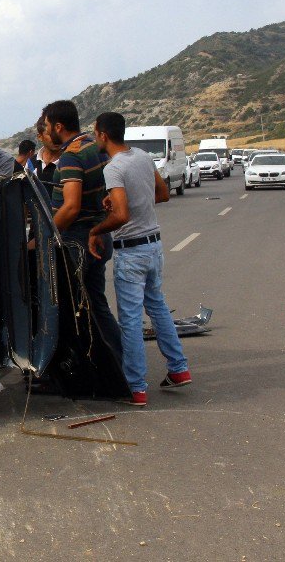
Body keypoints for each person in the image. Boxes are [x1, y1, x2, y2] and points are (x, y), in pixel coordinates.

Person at [89, 112, 191, 407]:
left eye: (96, 133)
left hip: (131, 252)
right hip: (153, 245)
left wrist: (96, 229)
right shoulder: (143, 157)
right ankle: (179, 368)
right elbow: (161, 194)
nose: (95, 137)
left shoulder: (114, 168)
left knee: (131, 320)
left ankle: (135, 387)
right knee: (157, 307)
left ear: (103, 135)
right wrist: (130, 200)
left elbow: (121, 216)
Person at [43, 100, 122, 353]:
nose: (46, 131)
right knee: (97, 304)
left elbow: (71, 207)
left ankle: (94, 369)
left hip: (78, 241)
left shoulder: (71, 155)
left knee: (73, 309)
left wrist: (45, 236)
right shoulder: (93, 145)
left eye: (47, 126)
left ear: (58, 126)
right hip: (98, 235)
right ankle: (119, 362)